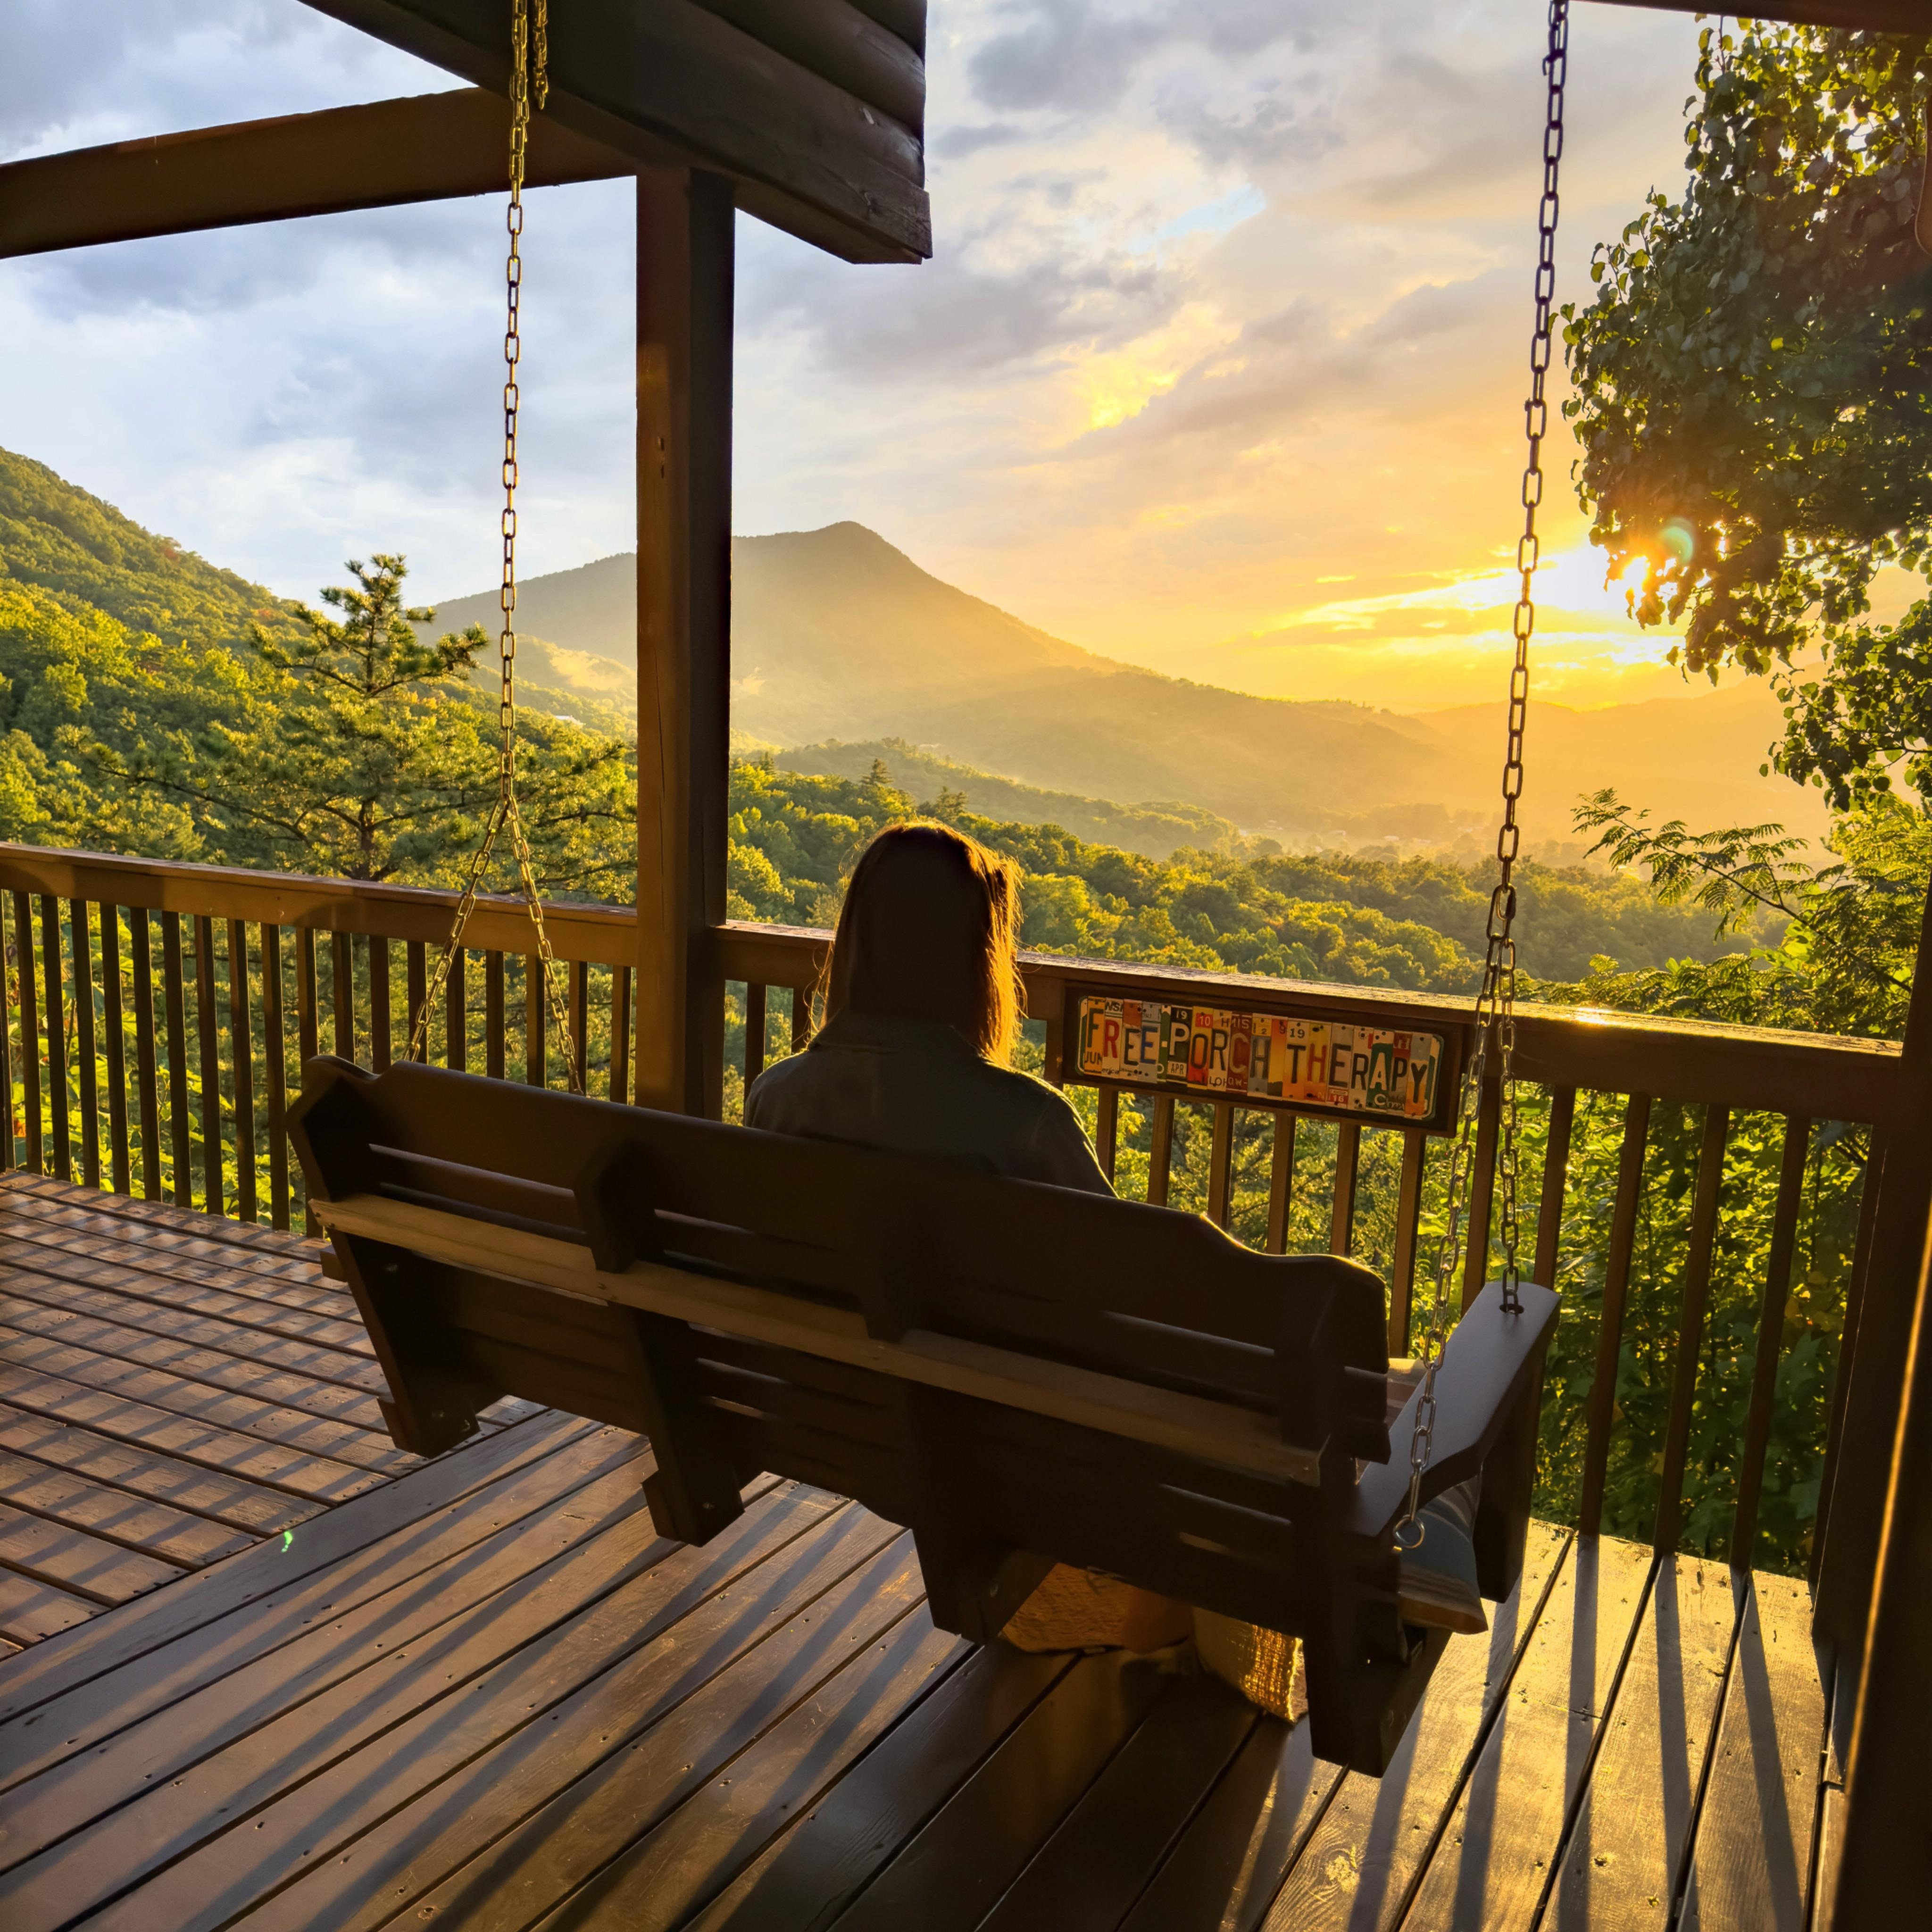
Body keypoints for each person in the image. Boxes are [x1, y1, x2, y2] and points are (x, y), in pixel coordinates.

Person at [746, 821, 1484, 1704]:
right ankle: (1186, 1613)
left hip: (855, 1425)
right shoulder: (1021, 1122)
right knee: (1368, 1400)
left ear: (856, 940)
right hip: (1025, 1457)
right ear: (973, 959)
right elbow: (1138, 1312)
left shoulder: (776, 1100)